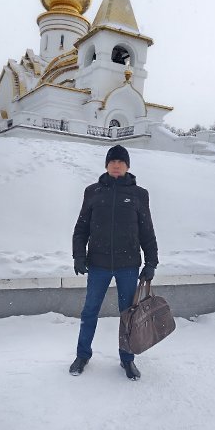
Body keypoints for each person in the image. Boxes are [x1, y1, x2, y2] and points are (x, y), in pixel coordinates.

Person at [70, 144, 158, 380]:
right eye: (112, 162)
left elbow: (147, 231)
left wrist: (151, 262)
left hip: (128, 265)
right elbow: (81, 228)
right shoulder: (93, 192)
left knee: (128, 314)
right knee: (90, 311)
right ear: (107, 165)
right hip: (97, 264)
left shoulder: (139, 194)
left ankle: (127, 359)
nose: (116, 165)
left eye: (120, 162)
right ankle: (82, 355)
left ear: (127, 166)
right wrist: (78, 255)